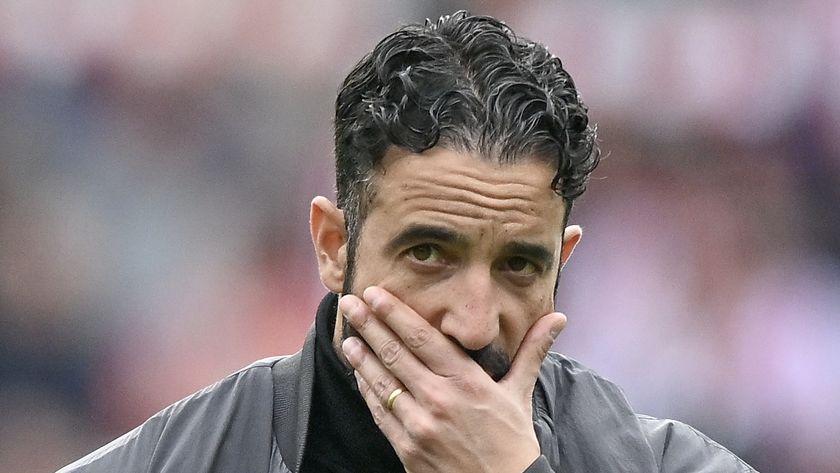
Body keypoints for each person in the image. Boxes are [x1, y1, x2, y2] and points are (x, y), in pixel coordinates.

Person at [57, 11, 757, 473]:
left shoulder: (667, 463)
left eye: (519, 264)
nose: (474, 320)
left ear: (563, 263)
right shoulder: (172, 461)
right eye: (429, 253)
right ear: (333, 244)